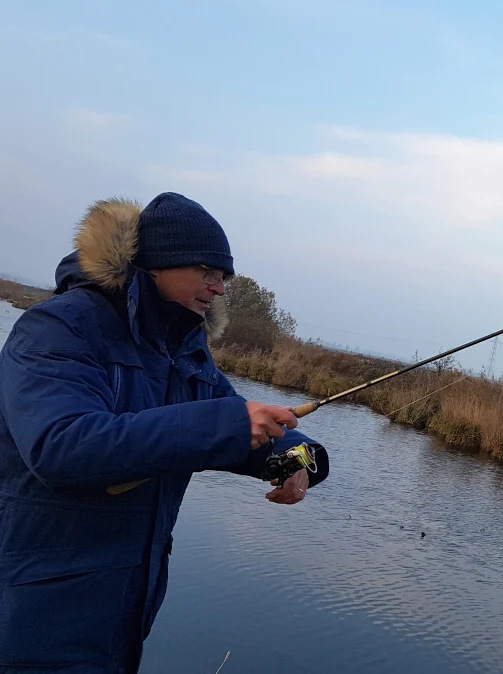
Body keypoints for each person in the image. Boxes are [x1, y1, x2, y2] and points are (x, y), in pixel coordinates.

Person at [0, 192, 329, 672]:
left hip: (123, 614)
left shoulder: (185, 351)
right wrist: (228, 423)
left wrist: (302, 460)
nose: (219, 289)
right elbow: (61, 447)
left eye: (224, 277)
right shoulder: (58, 327)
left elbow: (244, 424)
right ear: (155, 265)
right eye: (207, 271)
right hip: (31, 614)